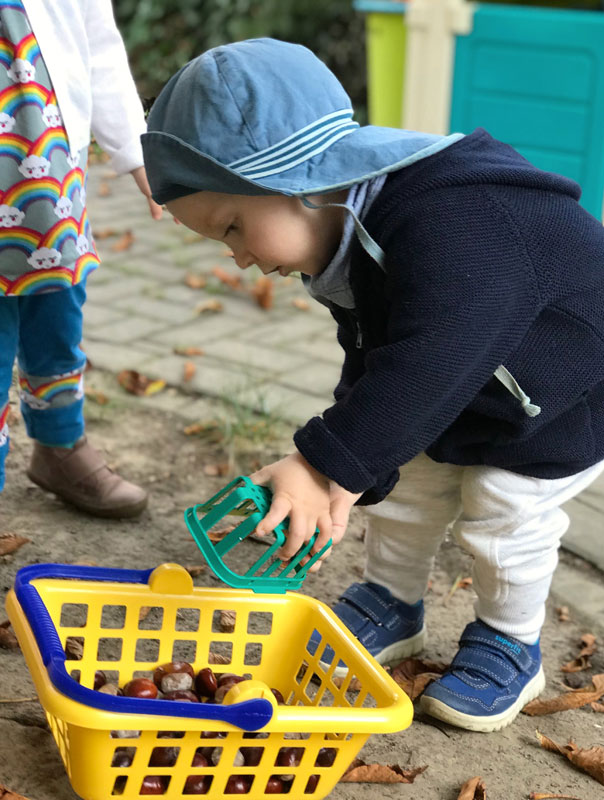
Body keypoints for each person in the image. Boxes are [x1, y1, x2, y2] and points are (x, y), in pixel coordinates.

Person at [141, 38, 604, 732]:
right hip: (474, 381)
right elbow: (379, 357)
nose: (237, 256)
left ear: (295, 178)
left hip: (567, 394)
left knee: (502, 505)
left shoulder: (455, 218)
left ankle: (512, 639)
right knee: (405, 479)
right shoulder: (348, 235)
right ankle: (392, 599)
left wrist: (321, 459)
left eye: (234, 226)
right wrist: (348, 471)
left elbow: (433, 360)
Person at [0, 0, 162, 517]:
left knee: (59, 306)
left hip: (49, 175)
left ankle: (60, 444)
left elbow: (99, 46)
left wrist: (138, 154)